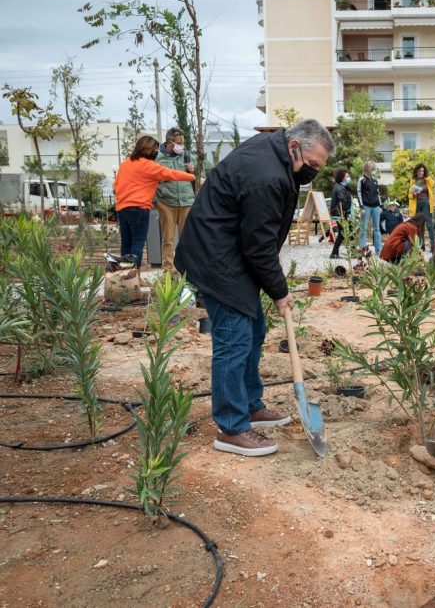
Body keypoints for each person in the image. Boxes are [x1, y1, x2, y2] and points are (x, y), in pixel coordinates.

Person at [175, 119, 334, 457]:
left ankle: (249, 404)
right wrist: (279, 291)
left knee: (254, 329)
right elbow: (258, 246)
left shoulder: (277, 154)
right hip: (216, 258)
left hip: (232, 250)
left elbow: (259, 236)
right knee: (233, 339)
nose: (313, 172)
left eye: (319, 167)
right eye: (312, 164)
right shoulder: (267, 174)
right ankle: (231, 427)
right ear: (294, 147)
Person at [114, 135, 195, 270]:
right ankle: (134, 273)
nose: (156, 152)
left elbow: (116, 185)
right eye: (155, 150)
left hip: (122, 209)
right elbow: (171, 174)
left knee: (126, 243)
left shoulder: (125, 164)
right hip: (139, 208)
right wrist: (191, 176)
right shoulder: (149, 166)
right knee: (138, 243)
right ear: (147, 150)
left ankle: (125, 273)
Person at [155, 126, 196, 273]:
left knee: (187, 239)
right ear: (169, 143)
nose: (181, 146)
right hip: (167, 203)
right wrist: (156, 201)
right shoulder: (157, 158)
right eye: (178, 143)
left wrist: (194, 171)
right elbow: (151, 179)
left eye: (182, 142)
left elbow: (200, 177)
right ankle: (168, 270)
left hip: (187, 202)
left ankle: (186, 269)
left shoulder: (188, 156)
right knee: (168, 239)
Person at [407, 163, 435, 251]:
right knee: (419, 225)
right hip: (417, 204)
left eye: (422, 171)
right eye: (419, 171)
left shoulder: (428, 179)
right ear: (416, 171)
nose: (421, 173)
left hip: (426, 203)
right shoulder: (413, 180)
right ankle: (421, 246)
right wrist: (413, 194)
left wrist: (428, 178)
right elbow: (409, 195)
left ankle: (433, 246)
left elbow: (434, 185)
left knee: (429, 225)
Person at [357, 160, 382, 254]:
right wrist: (361, 207)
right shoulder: (361, 180)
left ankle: (379, 250)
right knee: (363, 228)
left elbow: (377, 194)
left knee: (377, 229)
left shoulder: (375, 181)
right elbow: (359, 193)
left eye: (374, 169)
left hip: (376, 206)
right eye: (372, 169)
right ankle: (362, 249)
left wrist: (380, 206)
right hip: (366, 206)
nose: (374, 171)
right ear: (368, 169)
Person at [329, 168, 352, 259]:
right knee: (344, 233)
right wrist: (348, 212)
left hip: (340, 213)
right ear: (342, 178)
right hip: (340, 214)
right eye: (347, 176)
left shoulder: (341, 187)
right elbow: (343, 203)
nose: (348, 178)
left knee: (344, 233)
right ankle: (334, 253)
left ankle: (335, 253)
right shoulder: (340, 188)